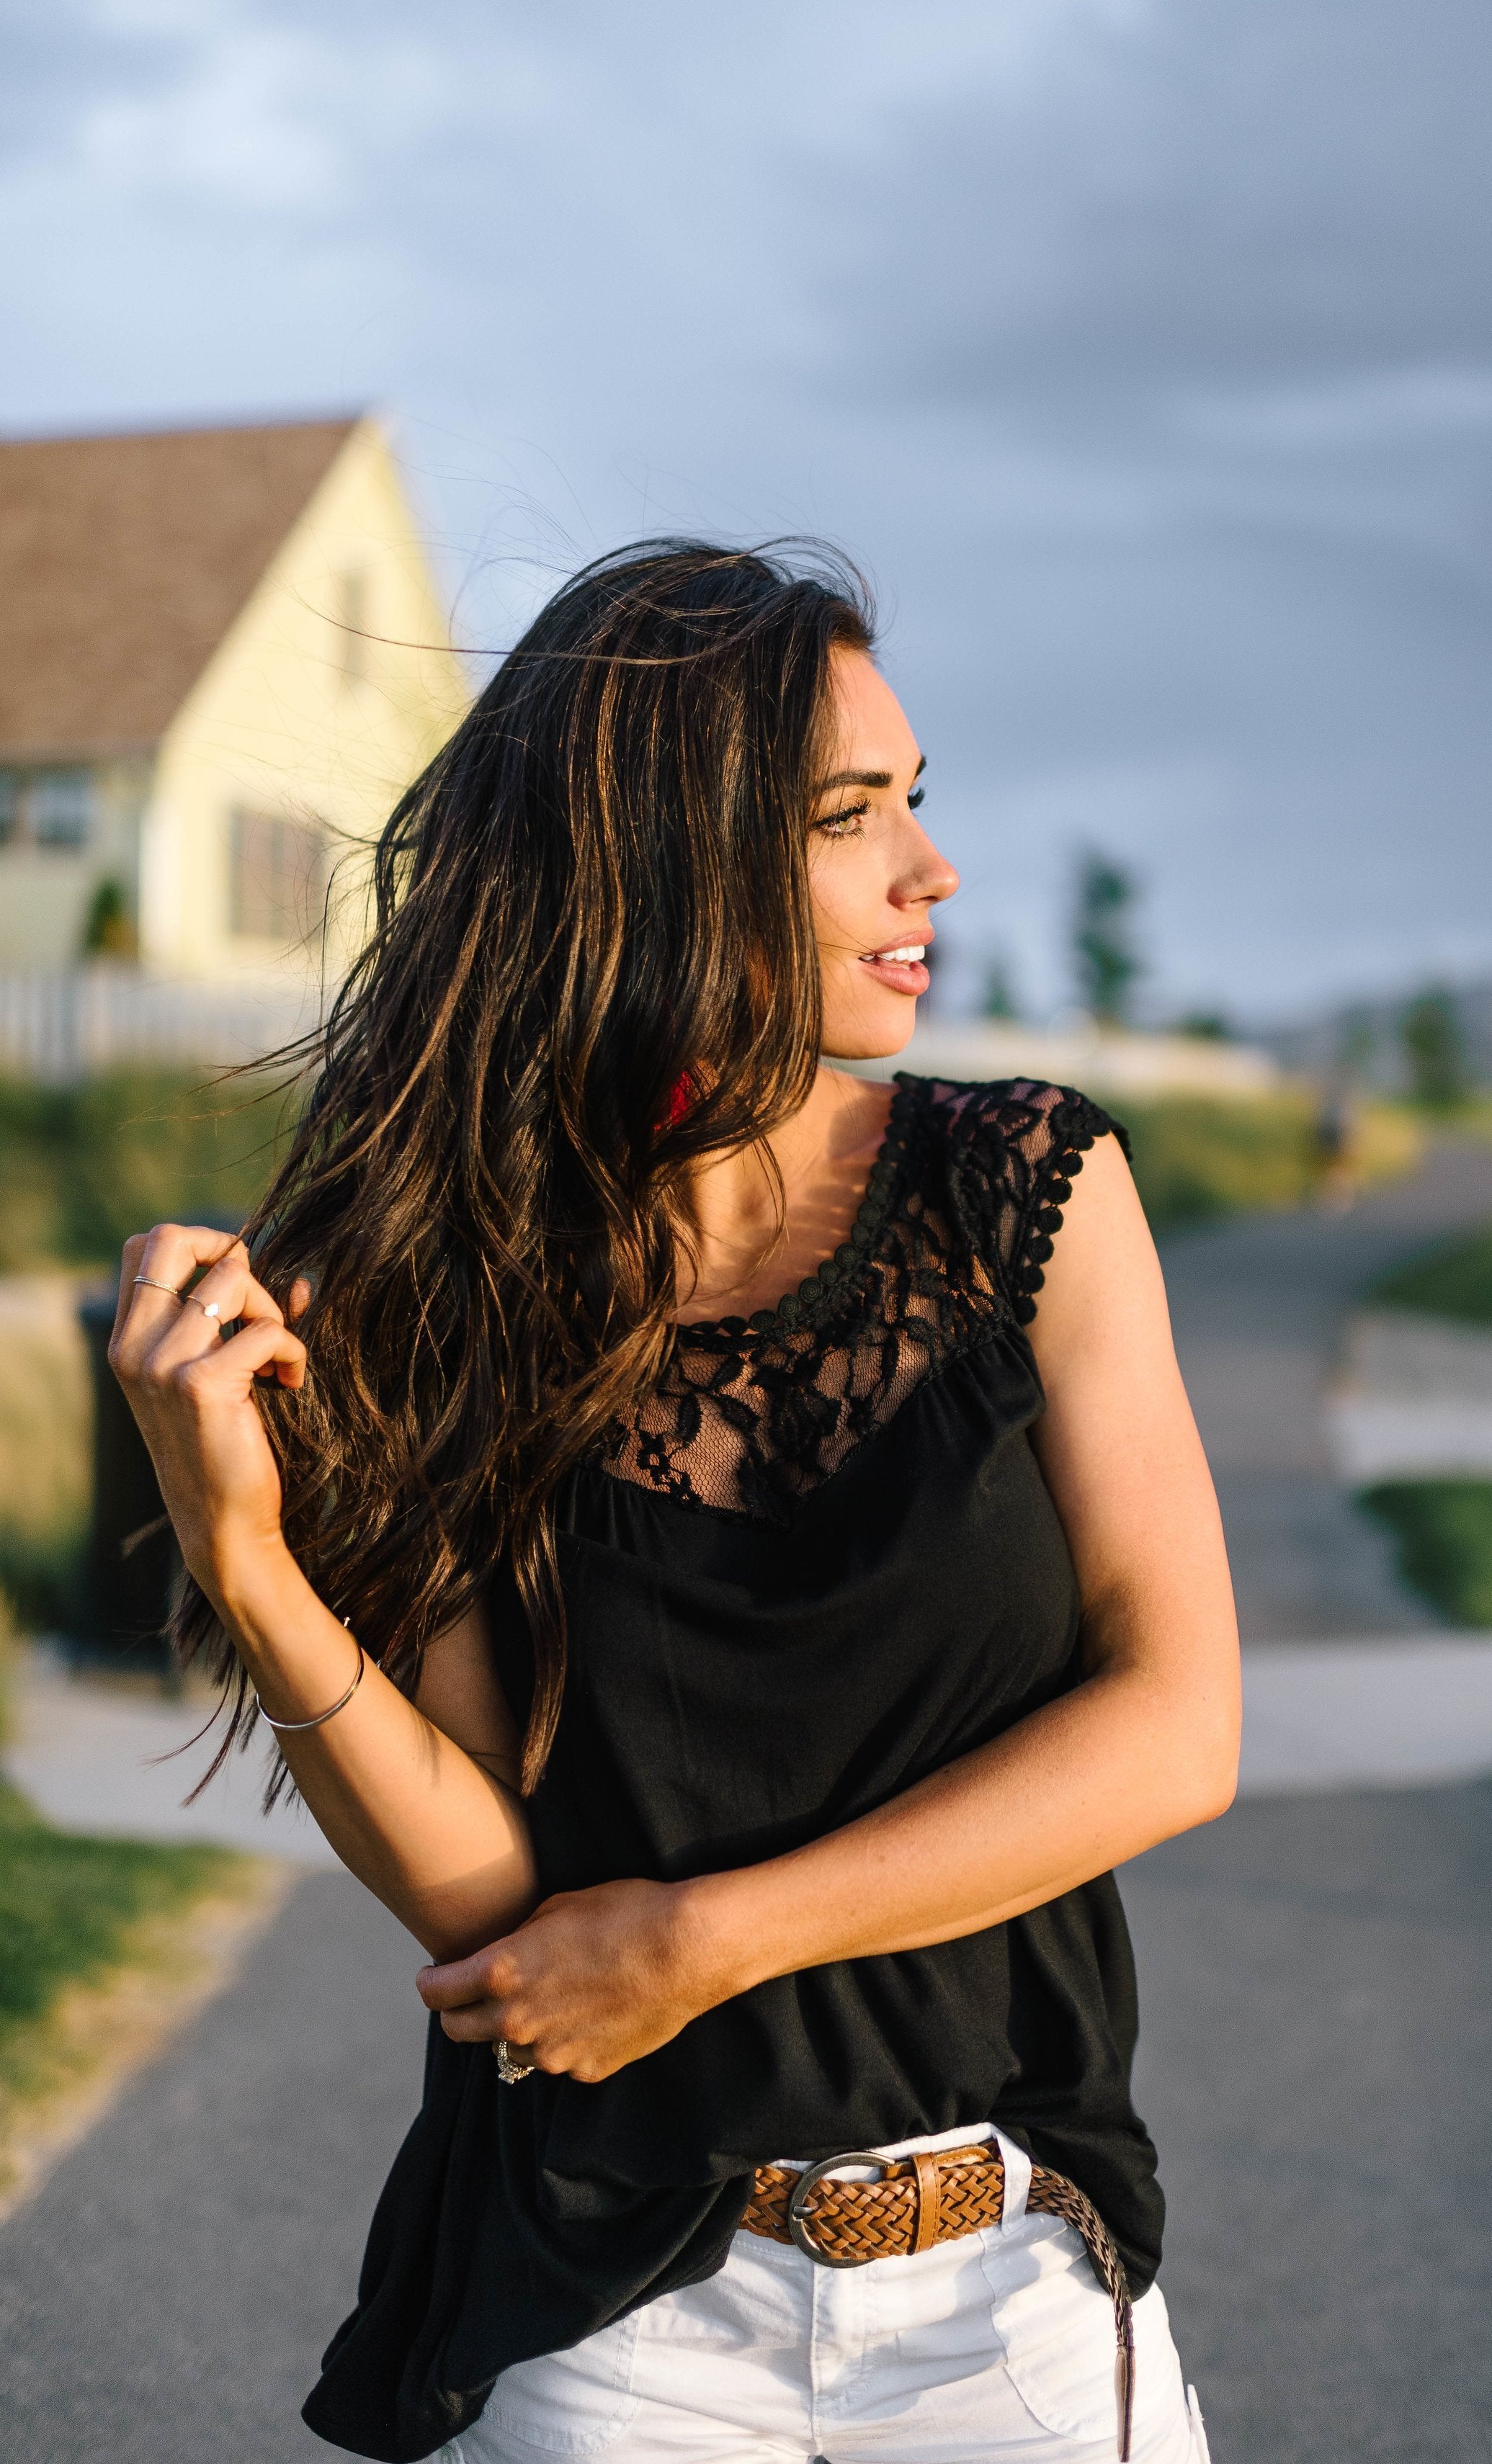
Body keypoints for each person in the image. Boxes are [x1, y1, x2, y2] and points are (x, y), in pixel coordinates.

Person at [110, 544, 1241, 2464]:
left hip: (1003, 2299)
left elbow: (1175, 1730)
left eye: (914, 802)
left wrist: (715, 1939)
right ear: (661, 865)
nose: (927, 872)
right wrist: (245, 1558)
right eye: (845, 818)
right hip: (616, 2311)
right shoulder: (438, 1297)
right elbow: (497, 1918)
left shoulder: (1026, 1190)